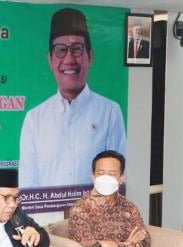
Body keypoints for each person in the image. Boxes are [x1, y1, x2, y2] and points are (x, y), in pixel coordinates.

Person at [19, 7, 126, 189]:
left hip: (96, 208)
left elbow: (118, 176)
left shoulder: (109, 112)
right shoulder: (34, 119)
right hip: (48, 209)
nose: (69, 59)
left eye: (76, 49)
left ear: (90, 57)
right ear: (50, 59)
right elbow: (27, 184)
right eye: (60, 50)